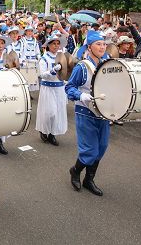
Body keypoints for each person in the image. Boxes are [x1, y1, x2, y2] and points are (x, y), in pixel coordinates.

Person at [66, 30, 110, 196]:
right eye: (98, 44)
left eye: (104, 44)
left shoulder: (108, 64)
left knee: (101, 148)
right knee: (90, 150)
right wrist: (81, 95)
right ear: (89, 47)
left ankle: (89, 179)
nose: (102, 47)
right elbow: (69, 87)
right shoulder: (82, 66)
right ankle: (76, 171)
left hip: (104, 112)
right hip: (85, 111)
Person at [36, 34, 68, 147]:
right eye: (53, 43)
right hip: (48, 88)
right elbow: (42, 75)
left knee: (58, 112)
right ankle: (44, 130)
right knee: (50, 112)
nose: (56, 46)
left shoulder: (62, 57)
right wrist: (53, 70)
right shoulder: (44, 58)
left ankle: (52, 134)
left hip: (59, 87)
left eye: (58, 44)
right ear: (48, 45)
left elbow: (66, 72)